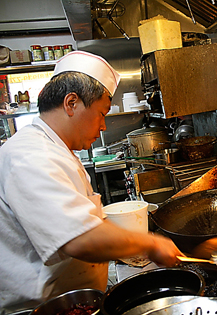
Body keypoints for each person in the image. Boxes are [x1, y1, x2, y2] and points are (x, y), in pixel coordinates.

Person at [0, 51, 182, 311]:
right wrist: (151, 243)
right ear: (71, 103)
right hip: (45, 308)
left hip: (76, 301)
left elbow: (86, 220)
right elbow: (78, 238)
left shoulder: (58, 150)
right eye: (101, 113)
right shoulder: (29, 155)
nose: (103, 126)